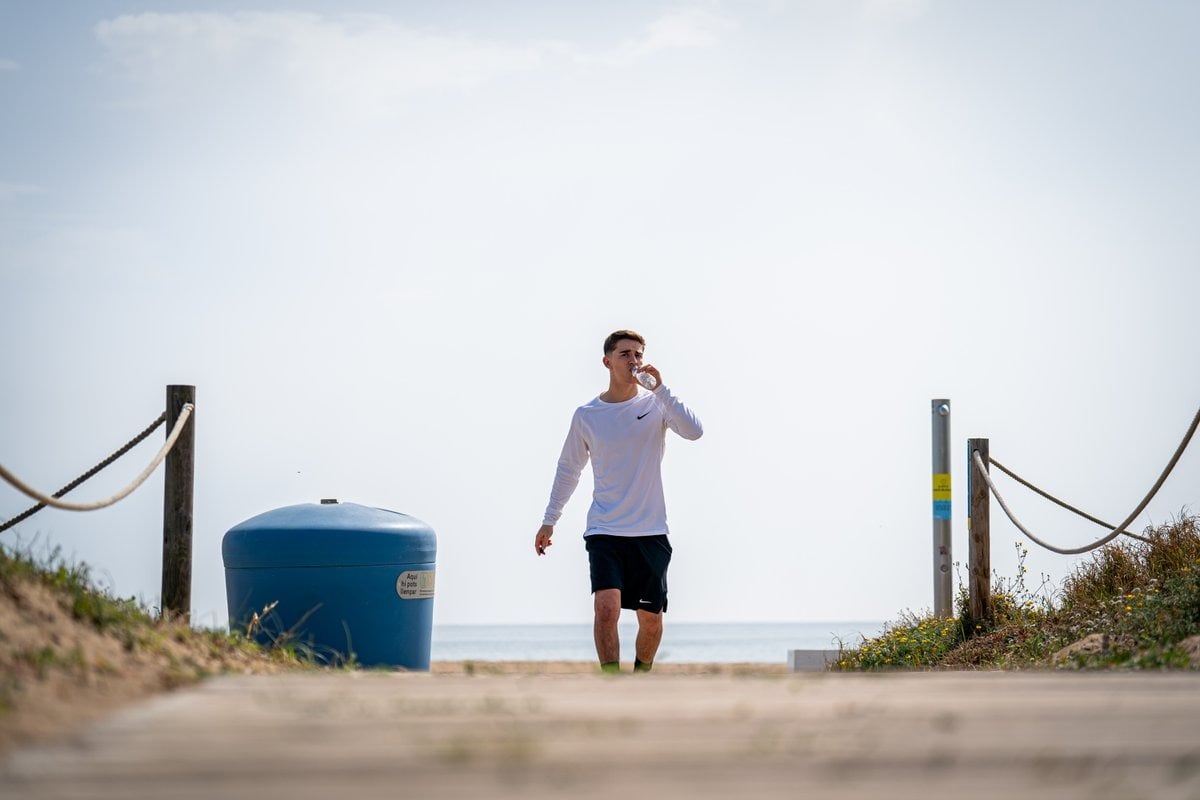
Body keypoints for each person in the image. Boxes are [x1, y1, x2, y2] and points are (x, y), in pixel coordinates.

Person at [534, 329, 703, 673]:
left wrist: (661, 390)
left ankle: (641, 677)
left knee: (650, 620)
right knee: (606, 609)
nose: (634, 361)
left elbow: (694, 431)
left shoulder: (656, 405)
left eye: (638, 354)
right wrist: (550, 520)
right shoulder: (587, 415)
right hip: (604, 529)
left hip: (650, 530)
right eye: (625, 354)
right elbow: (569, 469)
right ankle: (611, 683)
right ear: (607, 361)